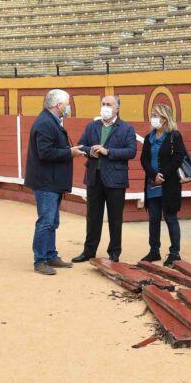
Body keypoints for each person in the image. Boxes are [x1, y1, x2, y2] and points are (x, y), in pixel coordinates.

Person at [24, 89, 84, 276]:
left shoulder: (49, 121)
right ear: (59, 105)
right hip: (46, 181)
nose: (68, 107)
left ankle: (50, 255)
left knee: (52, 221)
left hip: (51, 180)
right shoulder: (45, 123)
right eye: (66, 104)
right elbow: (45, 152)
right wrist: (70, 152)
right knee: (46, 221)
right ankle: (40, 259)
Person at [72, 95, 137, 263]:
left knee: (115, 217)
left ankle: (114, 252)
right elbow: (81, 145)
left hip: (116, 179)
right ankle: (89, 251)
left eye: (109, 104)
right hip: (94, 177)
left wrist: (108, 151)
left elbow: (131, 151)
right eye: (103, 104)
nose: (105, 107)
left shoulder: (126, 128)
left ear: (117, 108)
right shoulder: (92, 126)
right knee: (92, 217)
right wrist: (90, 151)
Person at [139, 104, 187, 266]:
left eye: (155, 115)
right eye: (152, 115)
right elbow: (144, 159)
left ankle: (174, 253)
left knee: (170, 217)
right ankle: (154, 251)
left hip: (169, 184)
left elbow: (178, 158)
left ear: (165, 118)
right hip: (152, 184)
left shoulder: (175, 136)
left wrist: (163, 175)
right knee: (153, 218)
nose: (152, 118)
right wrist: (154, 175)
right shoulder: (148, 137)